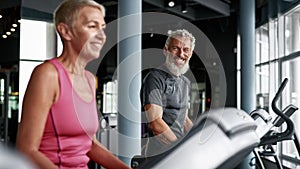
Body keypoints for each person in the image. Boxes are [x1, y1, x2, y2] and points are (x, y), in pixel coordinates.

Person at [16, 0, 131, 169]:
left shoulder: (90, 80)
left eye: (102, 28)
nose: (101, 35)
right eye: (92, 26)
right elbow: (26, 149)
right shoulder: (48, 74)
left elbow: (89, 144)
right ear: (66, 31)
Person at [141, 29, 195, 157]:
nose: (180, 54)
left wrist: (197, 139)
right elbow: (155, 123)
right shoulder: (154, 78)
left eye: (186, 50)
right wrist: (179, 147)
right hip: (161, 155)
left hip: (177, 153)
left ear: (191, 54)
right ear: (166, 50)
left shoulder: (185, 82)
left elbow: (184, 119)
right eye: (175, 48)